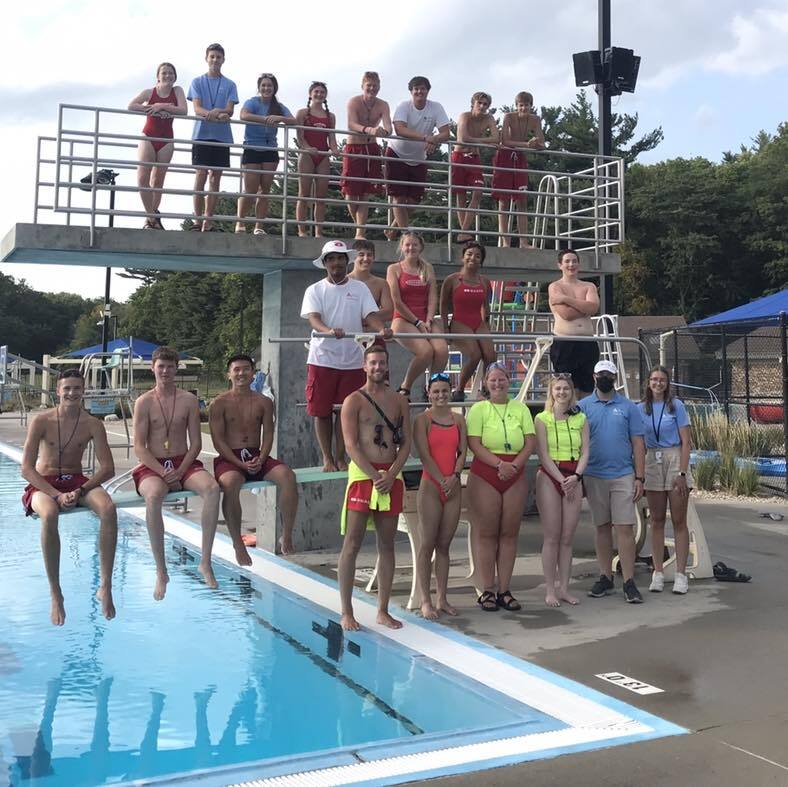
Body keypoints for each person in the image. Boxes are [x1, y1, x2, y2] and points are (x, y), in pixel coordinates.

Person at [20, 370, 117, 626]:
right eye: (67, 388)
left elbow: (108, 468)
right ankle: (56, 593)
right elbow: (26, 469)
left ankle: (105, 586)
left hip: (76, 481)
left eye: (77, 388)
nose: (72, 393)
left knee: (108, 509)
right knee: (49, 513)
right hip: (45, 483)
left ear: (83, 391)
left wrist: (81, 491)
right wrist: (56, 494)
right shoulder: (41, 421)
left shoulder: (93, 424)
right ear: (57, 392)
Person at [132, 346, 221, 599]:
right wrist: (163, 471)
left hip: (184, 462)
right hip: (153, 464)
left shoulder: (189, 400)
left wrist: (180, 471)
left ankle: (205, 561)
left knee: (213, 490)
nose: (165, 371)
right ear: (153, 368)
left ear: (176, 368)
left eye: (170, 366)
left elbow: (196, 443)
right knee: (152, 497)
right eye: (161, 366)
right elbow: (139, 447)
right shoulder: (144, 402)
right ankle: (161, 571)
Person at [301, 240, 392, 472]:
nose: (337, 262)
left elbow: (371, 315)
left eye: (341, 258)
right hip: (322, 358)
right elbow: (313, 318)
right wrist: (327, 331)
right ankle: (327, 458)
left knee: (346, 411)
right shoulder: (314, 289)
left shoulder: (359, 288)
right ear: (325, 263)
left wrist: (381, 329)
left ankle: (341, 457)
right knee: (321, 411)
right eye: (331, 258)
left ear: (346, 261)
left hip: (353, 358)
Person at [338, 345, 412, 631]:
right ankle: (347, 611)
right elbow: (351, 445)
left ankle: (382, 609)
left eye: (382, 362)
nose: (378, 367)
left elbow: (405, 443)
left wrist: (391, 474)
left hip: (391, 476)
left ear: (388, 366)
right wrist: (374, 475)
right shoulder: (353, 401)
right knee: (353, 543)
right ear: (364, 366)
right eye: (373, 363)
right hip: (363, 476)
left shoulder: (399, 401)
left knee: (387, 544)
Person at [209, 354, 299, 561]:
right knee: (231, 483)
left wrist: (262, 457)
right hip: (229, 457)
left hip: (257, 454)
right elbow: (218, 441)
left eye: (246, 369)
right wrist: (238, 462)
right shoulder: (219, 403)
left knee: (287, 476)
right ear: (229, 374)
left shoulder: (264, 402)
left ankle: (286, 535)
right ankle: (237, 543)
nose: (241, 373)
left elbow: (268, 434)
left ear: (253, 373)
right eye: (236, 369)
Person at [466, 362, 535, 611]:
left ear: (509, 381)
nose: (498, 384)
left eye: (502, 379)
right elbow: (474, 443)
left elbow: (529, 441)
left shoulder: (520, 408)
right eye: (493, 380)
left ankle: (505, 589)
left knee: (509, 532)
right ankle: (487, 589)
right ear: (486, 383)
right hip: (487, 472)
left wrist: (514, 465)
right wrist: (499, 464)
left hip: (514, 471)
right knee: (487, 532)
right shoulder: (478, 409)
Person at [578, 360, 647, 603]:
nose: (605, 377)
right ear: (594, 376)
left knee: (625, 528)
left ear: (615, 377)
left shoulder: (629, 407)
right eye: (601, 374)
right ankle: (605, 576)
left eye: (609, 374)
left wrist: (640, 477)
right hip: (594, 474)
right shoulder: (582, 406)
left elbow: (638, 444)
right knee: (602, 527)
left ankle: (628, 581)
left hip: (622, 474)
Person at [413, 372, 467, 619]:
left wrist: (454, 477)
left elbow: (463, 452)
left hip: (452, 486)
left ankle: (442, 598)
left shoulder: (458, 420)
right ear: (428, 393)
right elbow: (424, 455)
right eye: (436, 391)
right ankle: (425, 600)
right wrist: (442, 480)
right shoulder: (423, 420)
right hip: (431, 486)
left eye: (445, 391)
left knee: (444, 546)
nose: (441, 395)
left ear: (450, 390)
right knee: (427, 545)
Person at [534, 374, 590, 607]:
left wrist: (576, 477)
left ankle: (564, 588)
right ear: (551, 392)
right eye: (558, 388)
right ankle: (550, 589)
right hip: (550, 475)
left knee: (567, 538)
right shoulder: (542, 419)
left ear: (572, 392)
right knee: (552, 536)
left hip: (573, 475)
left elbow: (586, 450)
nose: (562, 392)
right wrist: (560, 479)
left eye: (566, 388)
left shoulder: (581, 419)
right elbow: (543, 454)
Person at [638, 366, 694, 595]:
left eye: (661, 380)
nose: (657, 383)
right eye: (654, 379)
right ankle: (658, 572)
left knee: (679, 521)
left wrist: (681, 473)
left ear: (667, 383)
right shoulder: (640, 408)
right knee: (657, 520)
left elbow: (686, 442)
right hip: (652, 459)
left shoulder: (677, 406)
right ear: (648, 383)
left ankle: (681, 574)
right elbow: (638, 441)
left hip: (673, 457)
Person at [386, 76, 450, 236]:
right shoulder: (403, 106)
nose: (419, 91)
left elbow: (446, 132)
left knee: (415, 198)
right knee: (398, 197)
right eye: (416, 89)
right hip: (397, 154)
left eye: (423, 88)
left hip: (419, 157)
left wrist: (434, 139)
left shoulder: (436, 107)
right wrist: (425, 137)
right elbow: (400, 129)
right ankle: (407, 236)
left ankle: (393, 229)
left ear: (428, 91)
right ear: (411, 91)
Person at [387, 232, 448, 399]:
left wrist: (428, 318)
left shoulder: (427, 268)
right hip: (403, 319)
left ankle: (434, 387)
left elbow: (432, 296)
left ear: (421, 247)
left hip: (425, 317)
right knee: (426, 351)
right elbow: (396, 301)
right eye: (407, 244)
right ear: (402, 247)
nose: (410, 248)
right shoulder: (394, 269)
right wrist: (418, 322)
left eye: (414, 244)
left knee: (442, 351)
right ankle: (405, 386)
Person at [127, 62, 187, 229]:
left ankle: (152, 215)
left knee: (158, 180)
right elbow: (131, 105)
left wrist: (163, 106)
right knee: (142, 177)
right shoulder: (149, 92)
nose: (168, 76)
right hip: (149, 135)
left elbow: (183, 110)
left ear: (175, 77)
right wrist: (153, 107)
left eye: (171, 73)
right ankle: (150, 217)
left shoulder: (177, 91)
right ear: (158, 76)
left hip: (166, 139)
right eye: (164, 73)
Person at [235, 73, 295, 235]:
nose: (267, 88)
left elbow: (293, 120)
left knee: (265, 190)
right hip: (252, 148)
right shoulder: (252, 102)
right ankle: (240, 222)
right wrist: (265, 119)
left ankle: (258, 226)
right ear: (259, 87)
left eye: (270, 85)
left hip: (270, 150)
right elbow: (243, 115)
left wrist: (278, 118)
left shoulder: (279, 106)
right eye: (264, 85)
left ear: (274, 88)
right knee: (250, 190)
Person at [187, 43, 239, 232]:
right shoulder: (197, 81)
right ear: (206, 58)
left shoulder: (230, 84)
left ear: (223, 59)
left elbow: (230, 110)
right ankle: (197, 220)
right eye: (212, 56)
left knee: (215, 178)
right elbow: (197, 108)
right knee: (200, 175)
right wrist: (217, 113)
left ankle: (208, 221)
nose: (215, 60)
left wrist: (218, 112)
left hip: (222, 136)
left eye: (218, 57)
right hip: (202, 134)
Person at [439, 240, 496, 401]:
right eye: (469, 254)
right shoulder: (452, 279)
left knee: (491, 356)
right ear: (462, 257)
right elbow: (442, 307)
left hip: (478, 322)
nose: (473, 258)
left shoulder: (484, 281)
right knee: (474, 355)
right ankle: (459, 389)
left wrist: (487, 326)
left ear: (481, 261)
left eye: (478, 256)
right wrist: (445, 330)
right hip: (459, 322)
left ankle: (486, 388)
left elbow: (486, 306)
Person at [342, 72, 392, 239]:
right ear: (362, 86)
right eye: (369, 85)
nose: (372, 88)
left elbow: (388, 126)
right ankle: (358, 225)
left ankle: (360, 232)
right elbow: (351, 123)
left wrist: (384, 131)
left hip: (371, 148)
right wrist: (369, 129)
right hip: (354, 147)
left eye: (375, 85)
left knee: (365, 193)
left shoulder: (383, 104)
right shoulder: (354, 102)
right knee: (350, 193)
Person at [492, 91, 545, 247]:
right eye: (521, 105)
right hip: (504, 156)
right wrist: (527, 144)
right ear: (516, 106)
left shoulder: (535, 120)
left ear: (531, 106)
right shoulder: (509, 117)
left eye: (526, 105)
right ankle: (505, 241)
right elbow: (505, 141)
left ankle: (524, 241)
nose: (523, 108)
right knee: (504, 200)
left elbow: (542, 144)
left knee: (521, 200)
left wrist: (535, 143)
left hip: (520, 157)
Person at [548, 249, 600, 398]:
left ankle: (584, 419)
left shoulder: (588, 286)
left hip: (587, 343)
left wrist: (566, 299)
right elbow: (566, 315)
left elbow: (594, 308)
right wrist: (585, 307)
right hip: (564, 342)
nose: (571, 264)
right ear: (560, 265)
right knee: (566, 388)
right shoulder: (555, 287)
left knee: (587, 388)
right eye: (567, 261)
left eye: (574, 261)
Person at [295, 81, 339, 238]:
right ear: (310, 94)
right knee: (303, 194)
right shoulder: (302, 113)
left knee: (321, 197)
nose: (319, 94)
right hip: (307, 155)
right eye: (316, 92)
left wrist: (335, 150)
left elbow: (332, 138)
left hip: (323, 156)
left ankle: (318, 231)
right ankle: (302, 230)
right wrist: (307, 148)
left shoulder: (330, 116)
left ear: (325, 95)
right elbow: (300, 137)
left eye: (322, 92)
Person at [452, 92, 499, 241]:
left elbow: (496, 139)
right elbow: (463, 139)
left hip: (474, 158)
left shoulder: (489, 118)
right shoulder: (464, 116)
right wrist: (484, 141)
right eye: (480, 103)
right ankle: (463, 233)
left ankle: (463, 231)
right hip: (459, 157)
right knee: (460, 195)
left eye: (485, 104)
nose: (482, 106)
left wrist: (475, 142)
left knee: (478, 191)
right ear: (473, 103)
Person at [349, 239, 393, 324]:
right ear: (353, 257)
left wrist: (360, 319)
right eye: (361, 255)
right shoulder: (344, 281)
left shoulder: (381, 283)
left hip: (372, 332)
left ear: (374, 258)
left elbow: (389, 312)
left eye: (369, 255)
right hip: (348, 332)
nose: (365, 259)